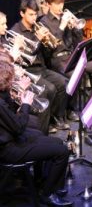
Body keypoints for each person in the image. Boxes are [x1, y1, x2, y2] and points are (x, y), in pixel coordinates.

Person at [0, 60, 73, 206]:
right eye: (11, 80)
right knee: (62, 151)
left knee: (56, 141)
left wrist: (19, 95)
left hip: (10, 139)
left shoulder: (2, 95)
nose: (13, 82)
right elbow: (18, 127)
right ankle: (47, 194)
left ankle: (46, 183)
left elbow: (11, 114)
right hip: (7, 150)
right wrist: (26, 104)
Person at [11, 0, 70, 133]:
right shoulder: (16, 31)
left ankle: (56, 116)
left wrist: (47, 42)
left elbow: (47, 52)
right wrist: (37, 39)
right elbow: (25, 55)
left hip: (42, 68)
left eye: (35, 15)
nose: (34, 18)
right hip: (28, 70)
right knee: (49, 89)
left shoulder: (37, 28)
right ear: (22, 14)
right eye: (31, 15)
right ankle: (46, 122)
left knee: (63, 83)